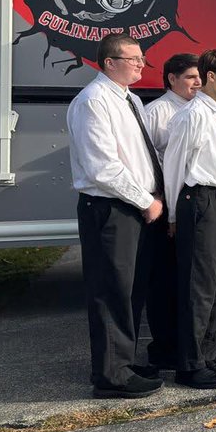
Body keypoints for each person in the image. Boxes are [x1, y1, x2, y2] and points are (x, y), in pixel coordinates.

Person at [67, 33, 166, 399]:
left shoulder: (131, 100)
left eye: (142, 58)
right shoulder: (93, 101)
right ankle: (110, 376)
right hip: (110, 209)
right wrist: (146, 200)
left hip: (135, 206)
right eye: (134, 58)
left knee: (131, 289)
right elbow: (102, 168)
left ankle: (123, 361)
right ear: (109, 62)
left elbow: (139, 155)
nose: (142, 63)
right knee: (112, 291)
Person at [162, 49, 216, 389]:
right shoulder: (192, 115)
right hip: (200, 199)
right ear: (211, 76)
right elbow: (174, 166)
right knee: (200, 286)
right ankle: (190, 363)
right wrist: (171, 213)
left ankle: (208, 356)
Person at [140, 52, 200, 372]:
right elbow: (148, 160)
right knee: (163, 280)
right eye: (190, 77)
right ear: (172, 79)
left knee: (186, 278)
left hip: (189, 203)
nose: (197, 82)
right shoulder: (157, 112)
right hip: (165, 203)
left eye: (199, 77)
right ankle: (163, 346)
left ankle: (183, 341)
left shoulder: (199, 110)